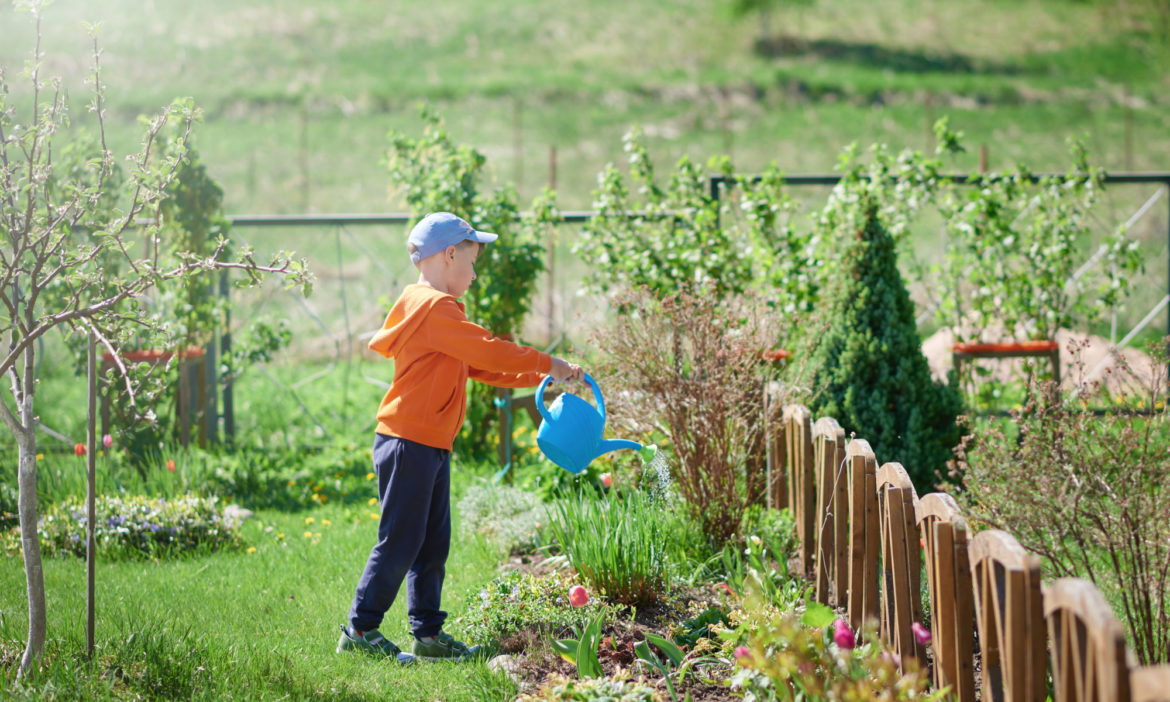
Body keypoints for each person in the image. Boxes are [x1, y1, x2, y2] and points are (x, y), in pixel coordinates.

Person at [338, 211, 583, 664]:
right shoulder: (433, 309)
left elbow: (484, 366)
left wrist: (541, 375)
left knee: (432, 543)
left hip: (428, 443)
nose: (474, 273)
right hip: (409, 441)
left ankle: (427, 635)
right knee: (400, 540)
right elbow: (488, 349)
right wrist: (547, 362)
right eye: (471, 262)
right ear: (448, 255)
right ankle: (360, 628)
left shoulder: (434, 310)